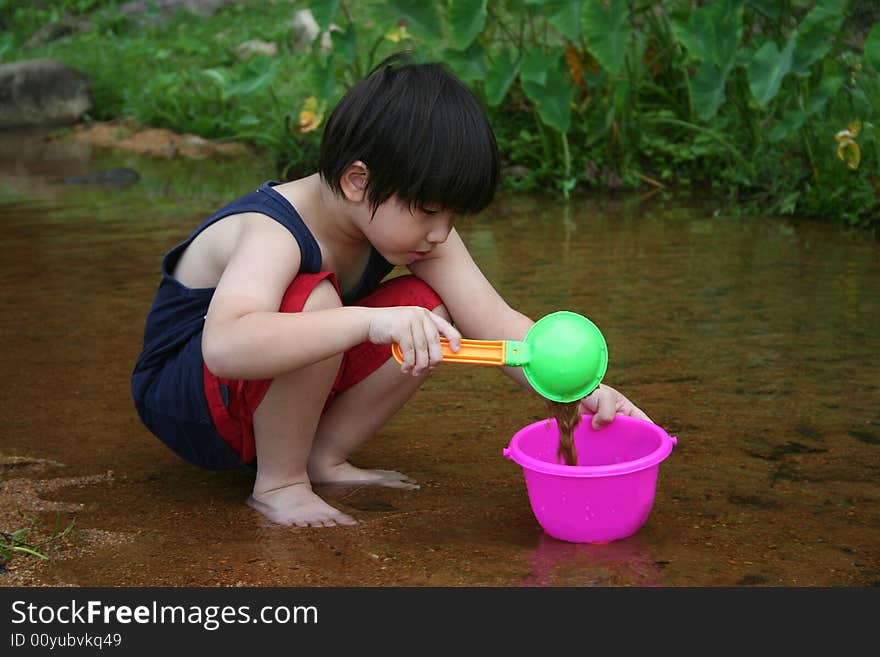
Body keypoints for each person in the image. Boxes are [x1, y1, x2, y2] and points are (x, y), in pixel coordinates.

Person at [131, 53, 651, 528]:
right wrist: (368, 322)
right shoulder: (274, 232)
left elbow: (492, 322)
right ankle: (280, 482)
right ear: (358, 181)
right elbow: (224, 347)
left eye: (452, 215)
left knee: (427, 309)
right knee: (318, 300)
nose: (441, 233)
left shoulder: (409, 229)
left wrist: (581, 388)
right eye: (429, 211)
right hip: (188, 400)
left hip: (253, 390)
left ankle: (323, 457)